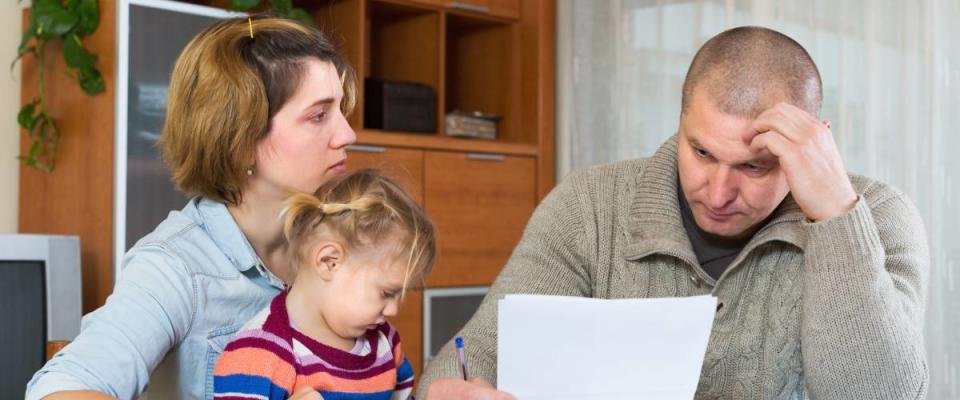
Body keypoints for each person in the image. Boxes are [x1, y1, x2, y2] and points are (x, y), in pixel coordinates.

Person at [418, 26, 929, 400]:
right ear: (681, 120)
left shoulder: (878, 218)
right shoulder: (589, 206)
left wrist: (837, 217)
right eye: (702, 152)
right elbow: (467, 361)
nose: (719, 191)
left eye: (755, 166)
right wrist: (450, 391)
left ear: (815, 145)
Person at [26, 15, 360, 400]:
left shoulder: (344, 236)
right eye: (319, 115)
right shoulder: (175, 268)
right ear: (240, 139)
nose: (347, 134)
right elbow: (60, 389)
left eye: (340, 110)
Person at [212, 169, 436, 400]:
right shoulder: (257, 355)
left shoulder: (385, 343)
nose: (393, 310)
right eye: (387, 293)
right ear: (329, 262)